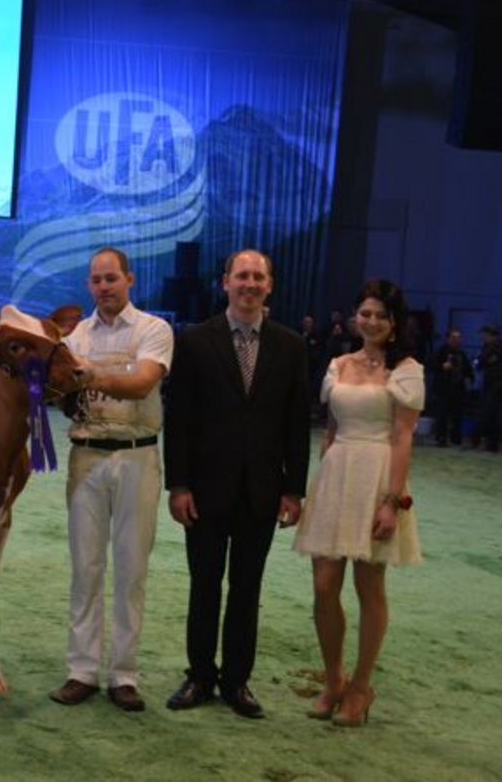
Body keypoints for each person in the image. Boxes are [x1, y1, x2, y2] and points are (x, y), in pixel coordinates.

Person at [163, 249, 310, 719]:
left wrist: (295, 489)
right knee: (204, 584)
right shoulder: (193, 341)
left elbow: (295, 424)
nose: (249, 283)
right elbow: (179, 419)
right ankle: (200, 675)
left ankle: (237, 681)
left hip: (263, 491)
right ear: (225, 281)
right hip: (204, 490)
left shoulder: (290, 347)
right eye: (241, 275)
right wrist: (178, 484)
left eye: (258, 277)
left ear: (270, 286)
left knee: (248, 588)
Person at [48, 248, 172, 713]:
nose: (104, 286)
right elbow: (62, 388)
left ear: (130, 280)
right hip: (87, 455)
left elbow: (142, 382)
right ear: (88, 286)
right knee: (86, 567)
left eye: (112, 278)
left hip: (138, 457)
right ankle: (81, 670)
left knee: (131, 568)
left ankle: (123, 674)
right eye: (96, 280)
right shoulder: (75, 335)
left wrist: (87, 375)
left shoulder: (153, 330)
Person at [294, 279, 422, 727]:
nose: (370, 321)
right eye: (364, 313)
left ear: (393, 323)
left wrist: (392, 501)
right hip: (336, 475)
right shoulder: (337, 364)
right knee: (324, 585)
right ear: (355, 317)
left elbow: (403, 438)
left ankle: (362, 686)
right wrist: (320, 483)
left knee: (370, 587)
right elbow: (330, 431)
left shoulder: (405, 370)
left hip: (377, 478)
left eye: (380, 315)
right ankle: (333, 680)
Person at [431, 329, 473, 447]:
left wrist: (469, 378)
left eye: (459, 338)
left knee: (457, 415)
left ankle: (456, 439)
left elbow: (468, 369)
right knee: (442, 414)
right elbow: (431, 365)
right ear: (448, 339)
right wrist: (442, 366)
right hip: (443, 388)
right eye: (454, 338)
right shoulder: (441, 351)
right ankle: (441, 438)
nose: (457, 340)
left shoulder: (461, 353)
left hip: (458, 389)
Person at [475, 325, 502, 452]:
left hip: (498, 382)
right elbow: (481, 362)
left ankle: (487, 442)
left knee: (491, 412)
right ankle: (489, 443)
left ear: (492, 335)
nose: (483, 337)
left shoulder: (499, 347)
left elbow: (481, 361)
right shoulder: (488, 347)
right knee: (489, 411)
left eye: (485, 335)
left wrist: (482, 361)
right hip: (490, 381)